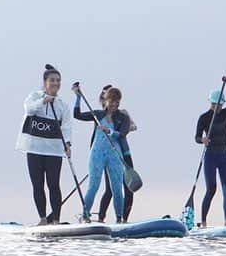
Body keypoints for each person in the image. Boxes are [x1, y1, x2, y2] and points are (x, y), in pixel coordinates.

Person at [15, 64, 72, 225]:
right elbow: (29, 110)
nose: (56, 83)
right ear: (45, 82)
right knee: (37, 185)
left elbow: (66, 127)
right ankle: (42, 219)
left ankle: (55, 220)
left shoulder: (62, 105)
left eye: (58, 81)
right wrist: (43, 101)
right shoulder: (34, 96)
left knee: (54, 185)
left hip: (53, 151)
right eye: (52, 80)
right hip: (34, 149)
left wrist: (68, 144)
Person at [73, 84, 131, 223]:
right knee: (93, 186)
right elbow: (77, 115)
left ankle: (119, 219)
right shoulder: (97, 115)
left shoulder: (123, 117)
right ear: (105, 100)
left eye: (117, 102)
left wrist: (109, 131)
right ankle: (85, 216)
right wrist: (78, 97)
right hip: (97, 154)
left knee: (116, 188)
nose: (114, 105)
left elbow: (122, 133)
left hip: (115, 155)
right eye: (111, 101)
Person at [194, 75, 226, 227]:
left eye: (220, 105)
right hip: (210, 156)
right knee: (211, 189)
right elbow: (196, 137)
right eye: (215, 105)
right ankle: (203, 222)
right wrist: (203, 140)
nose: (218, 108)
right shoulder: (203, 118)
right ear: (211, 103)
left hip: (224, 155)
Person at [97, 85, 137, 222]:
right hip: (110, 155)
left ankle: (124, 220)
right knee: (110, 189)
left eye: (116, 100)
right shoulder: (100, 117)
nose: (114, 103)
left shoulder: (123, 114)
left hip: (124, 154)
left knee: (129, 188)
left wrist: (123, 129)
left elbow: (133, 126)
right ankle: (101, 218)